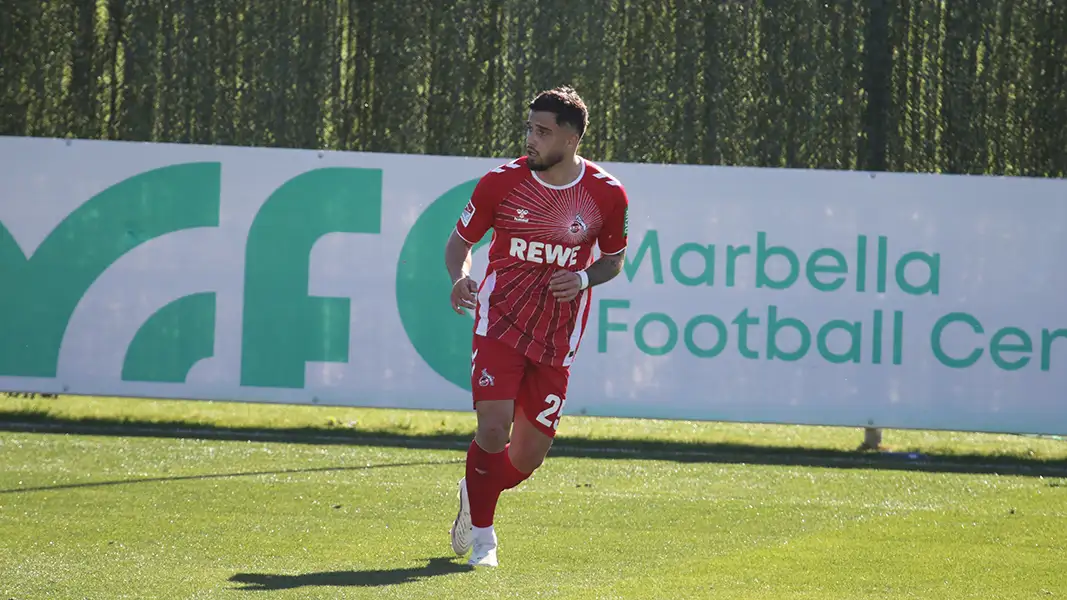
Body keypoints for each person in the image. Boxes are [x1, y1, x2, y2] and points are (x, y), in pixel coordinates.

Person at [442, 86, 630, 567]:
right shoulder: (498, 183)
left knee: (527, 458)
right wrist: (460, 279)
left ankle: (475, 488)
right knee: (492, 429)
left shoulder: (607, 193)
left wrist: (584, 277)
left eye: (543, 132)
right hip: (498, 323)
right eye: (529, 128)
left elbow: (613, 261)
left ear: (571, 138)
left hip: (557, 338)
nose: (531, 138)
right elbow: (458, 243)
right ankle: (483, 540)